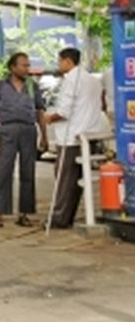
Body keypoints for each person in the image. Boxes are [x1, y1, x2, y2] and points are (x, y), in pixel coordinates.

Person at [0, 52, 48, 229]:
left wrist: (44, 136)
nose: (27, 68)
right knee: (4, 172)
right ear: (13, 67)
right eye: (24, 65)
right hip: (7, 130)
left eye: (28, 65)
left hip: (28, 130)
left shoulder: (32, 86)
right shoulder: (0, 86)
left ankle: (24, 214)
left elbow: (39, 112)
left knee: (28, 172)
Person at [44, 47, 104, 229]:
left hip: (71, 137)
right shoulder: (93, 80)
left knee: (65, 180)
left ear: (68, 62)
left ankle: (59, 217)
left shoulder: (71, 80)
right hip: (89, 134)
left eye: (60, 61)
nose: (58, 65)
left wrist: (49, 118)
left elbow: (64, 111)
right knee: (76, 180)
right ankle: (66, 216)